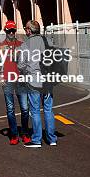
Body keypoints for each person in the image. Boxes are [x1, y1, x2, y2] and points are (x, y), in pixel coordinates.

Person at [17, 20, 57, 148]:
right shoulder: (48, 41)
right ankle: (52, 139)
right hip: (48, 81)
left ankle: (37, 139)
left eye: (25, 28)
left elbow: (21, 65)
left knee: (35, 111)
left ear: (29, 30)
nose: (25, 30)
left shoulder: (26, 44)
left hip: (33, 82)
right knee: (48, 110)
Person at [0, 20, 30, 145]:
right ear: (5, 31)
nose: (11, 33)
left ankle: (24, 133)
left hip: (21, 80)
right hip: (7, 80)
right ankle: (14, 134)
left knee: (25, 108)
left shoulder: (21, 44)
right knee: (10, 109)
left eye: (13, 30)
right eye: (9, 31)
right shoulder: (0, 45)